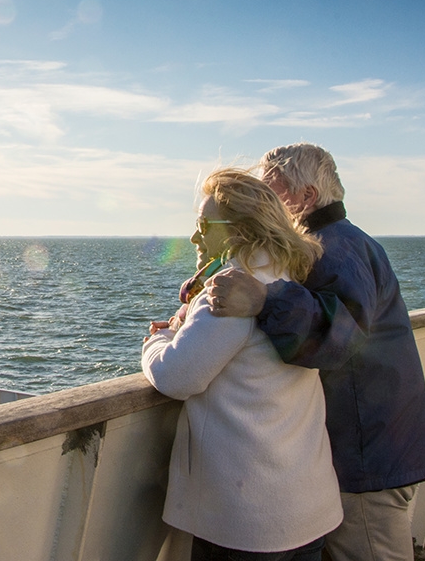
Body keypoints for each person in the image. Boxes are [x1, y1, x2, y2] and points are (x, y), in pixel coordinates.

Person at [206, 144, 425, 561]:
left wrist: (263, 298)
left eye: (271, 191)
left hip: (365, 454)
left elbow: (338, 339)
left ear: (306, 197)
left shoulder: (333, 251)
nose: (262, 201)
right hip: (375, 443)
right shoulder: (345, 243)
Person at [142, 168, 343, 561]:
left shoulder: (231, 289)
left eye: (204, 225)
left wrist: (156, 341)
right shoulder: (286, 281)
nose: (194, 237)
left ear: (241, 229)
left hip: (250, 522)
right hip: (306, 507)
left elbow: (175, 376)